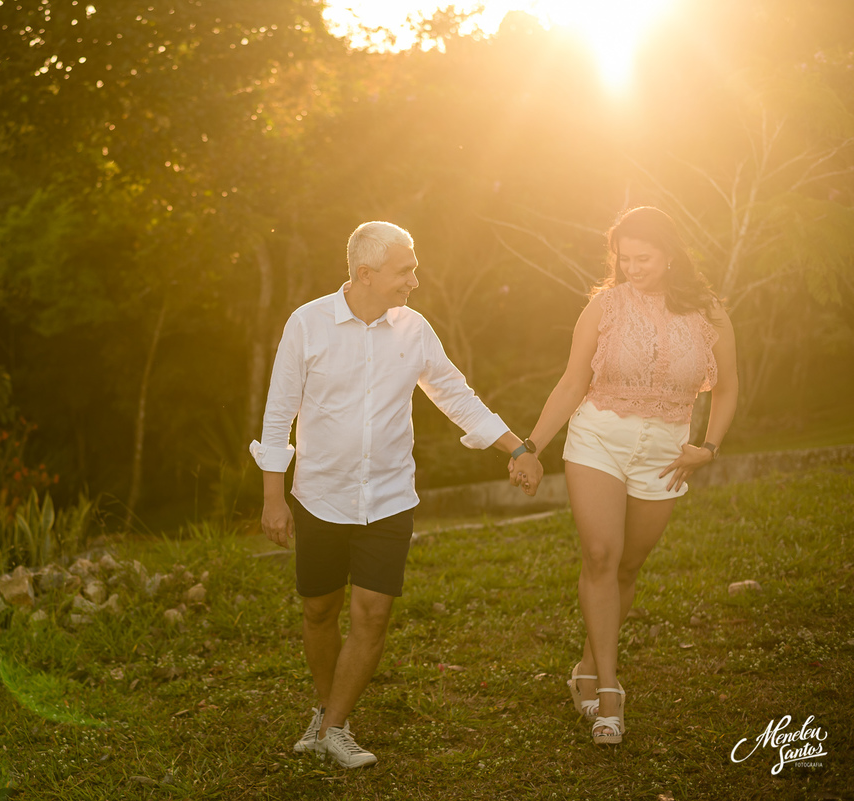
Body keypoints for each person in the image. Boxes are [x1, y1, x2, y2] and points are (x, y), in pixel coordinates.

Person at [250, 220, 542, 768]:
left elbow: (456, 394)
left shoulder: (414, 329)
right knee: (319, 609)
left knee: (372, 615)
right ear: (365, 273)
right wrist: (273, 496)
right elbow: (278, 412)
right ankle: (326, 711)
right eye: (404, 270)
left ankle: (334, 728)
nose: (415, 279)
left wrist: (517, 448)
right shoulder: (307, 324)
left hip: (388, 498)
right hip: (319, 497)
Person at [518, 206, 738, 745]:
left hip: (667, 452)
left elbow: (729, 387)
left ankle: (590, 665)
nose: (632, 267)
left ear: (669, 255)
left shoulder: (709, 310)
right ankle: (610, 695)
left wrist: (707, 447)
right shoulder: (604, 307)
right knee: (600, 555)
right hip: (599, 439)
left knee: (628, 566)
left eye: (643, 257)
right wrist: (531, 446)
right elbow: (572, 383)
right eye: (624, 257)